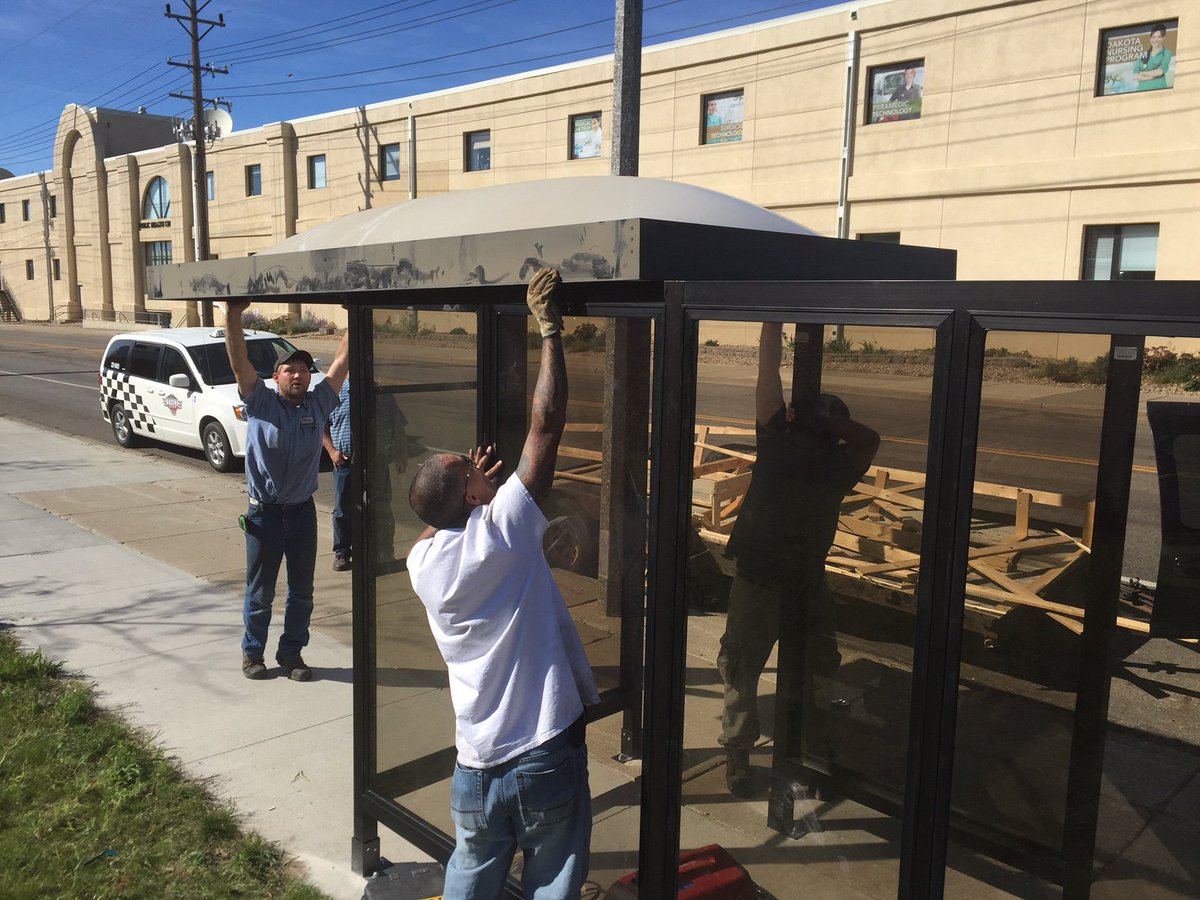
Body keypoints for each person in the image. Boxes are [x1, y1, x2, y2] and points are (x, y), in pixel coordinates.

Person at [406, 267, 599, 899]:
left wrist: (471, 490)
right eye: (468, 465)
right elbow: (544, 429)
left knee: (471, 874)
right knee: (552, 881)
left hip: (477, 764)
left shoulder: (422, 565)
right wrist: (549, 330)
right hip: (541, 749)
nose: (478, 461)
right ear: (469, 493)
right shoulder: (506, 533)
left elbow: (438, 521)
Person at [717, 322, 879, 798]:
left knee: (815, 666)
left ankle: (811, 748)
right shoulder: (780, 445)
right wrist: (771, 323)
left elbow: (870, 438)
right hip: (762, 577)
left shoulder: (833, 462)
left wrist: (821, 419)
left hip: (804, 579)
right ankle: (739, 752)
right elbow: (767, 374)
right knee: (743, 666)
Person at [224, 299, 349, 682]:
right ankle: (253, 654)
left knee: (302, 591)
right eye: (288, 370)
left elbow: (343, 361)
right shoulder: (261, 402)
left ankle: (292, 654)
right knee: (261, 592)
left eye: (303, 370)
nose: (297, 375)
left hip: (300, 513)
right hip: (264, 514)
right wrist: (233, 314)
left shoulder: (320, 402)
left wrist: (354, 313)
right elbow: (238, 361)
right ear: (275, 377)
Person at [322, 376, 408, 571]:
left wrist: (401, 454)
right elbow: (322, 427)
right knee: (343, 508)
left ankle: (385, 552)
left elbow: (397, 426)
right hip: (344, 461)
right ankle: (342, 552)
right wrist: (332, 451)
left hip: (376, 460)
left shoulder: (381, 394)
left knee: (382, 506)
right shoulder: (335, 393)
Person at [1132, 24, 1172, 91]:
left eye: (1159, 37)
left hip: (1158, 91)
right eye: (1153, 37)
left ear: (1164, 37)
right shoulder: (1143, 54)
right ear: (1150, 38)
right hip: (1140, 92)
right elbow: (1135, 76)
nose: (1155, 40)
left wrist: (1143, 73)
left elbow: (1160, 72)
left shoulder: (1166, 53)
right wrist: (1151, 77)